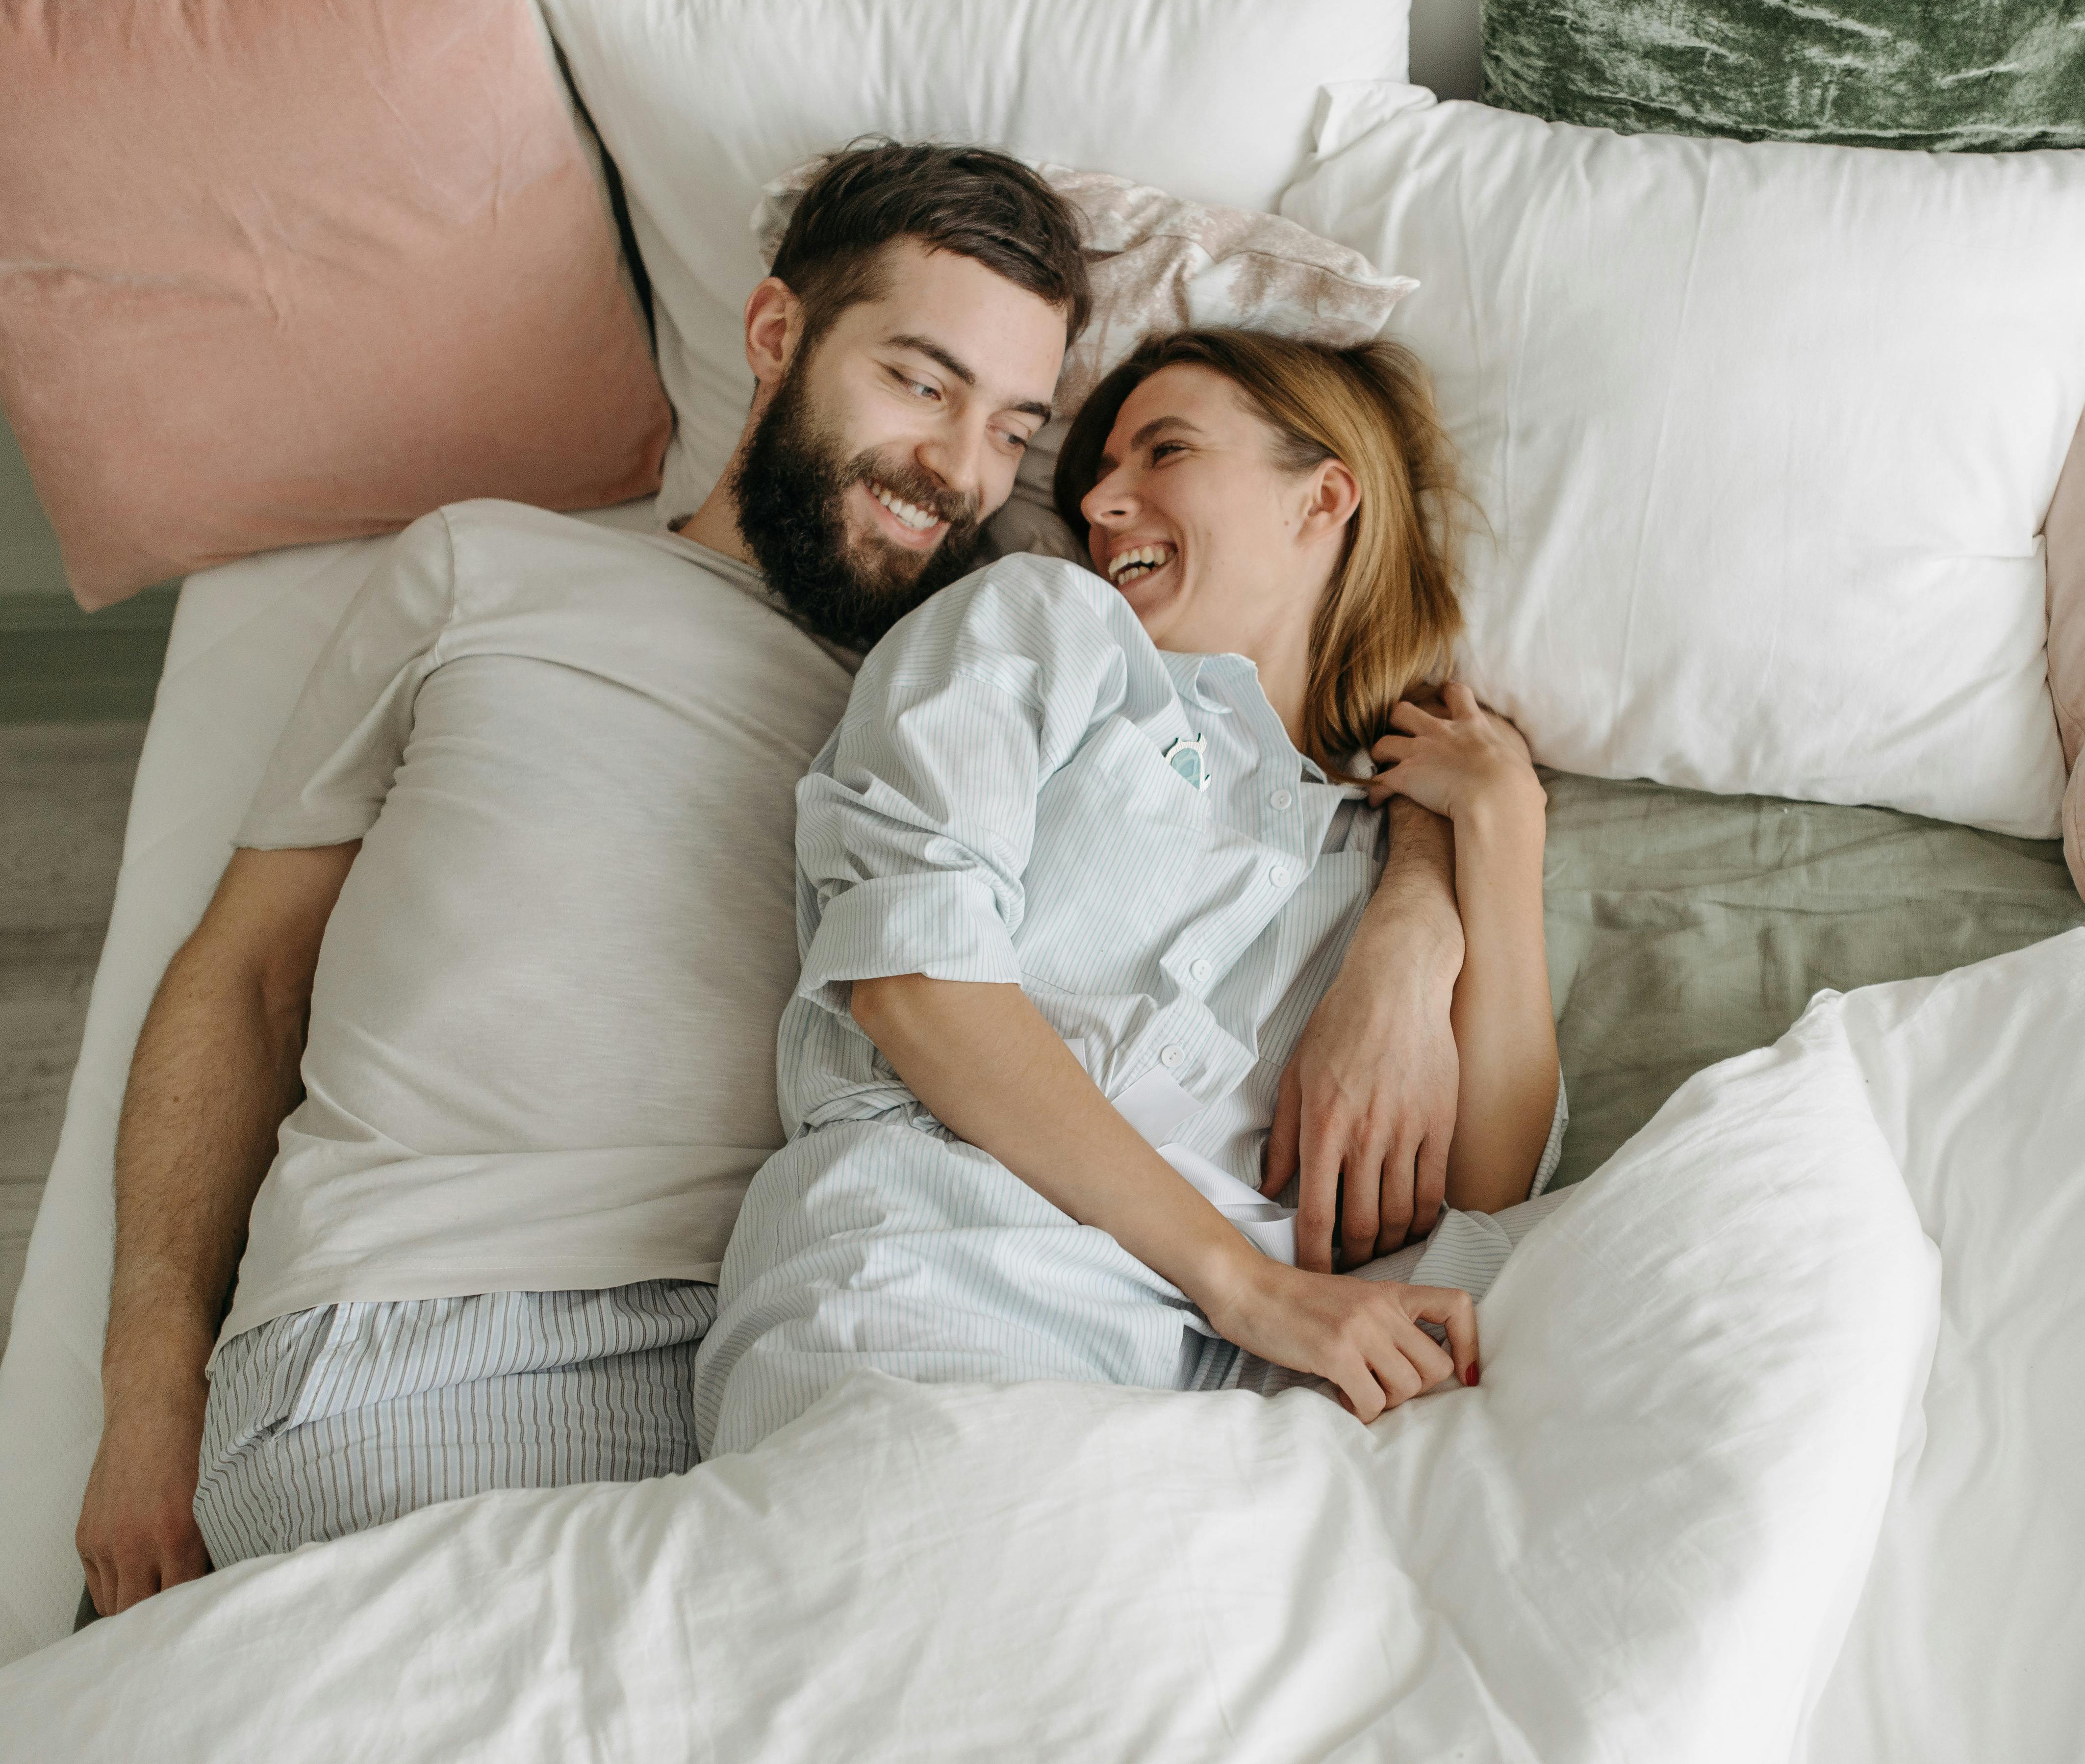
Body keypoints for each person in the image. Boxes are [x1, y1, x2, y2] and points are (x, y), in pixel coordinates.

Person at [75, 145, 1475, 1619]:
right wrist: (148, 1395)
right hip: (423, 1331)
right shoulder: (482, 573)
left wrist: (1419, 907)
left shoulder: (1019, 680)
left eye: (1013, 431)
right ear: (773, 335)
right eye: (920, 385)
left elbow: (1337, 754)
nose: (959, 470)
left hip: (797, 1356)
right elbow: (246, 974)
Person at [696, 329, 1562, 1453]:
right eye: (1097, 475)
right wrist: (1248, 1285)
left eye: (1166, 452)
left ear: (1322, 497)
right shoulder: (1046, 623)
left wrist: (1492, 838)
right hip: (937, 1280)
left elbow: (1492, 1199)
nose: (1101, 505)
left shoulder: (1390, 846)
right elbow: (915, 979)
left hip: (1238, 1414)